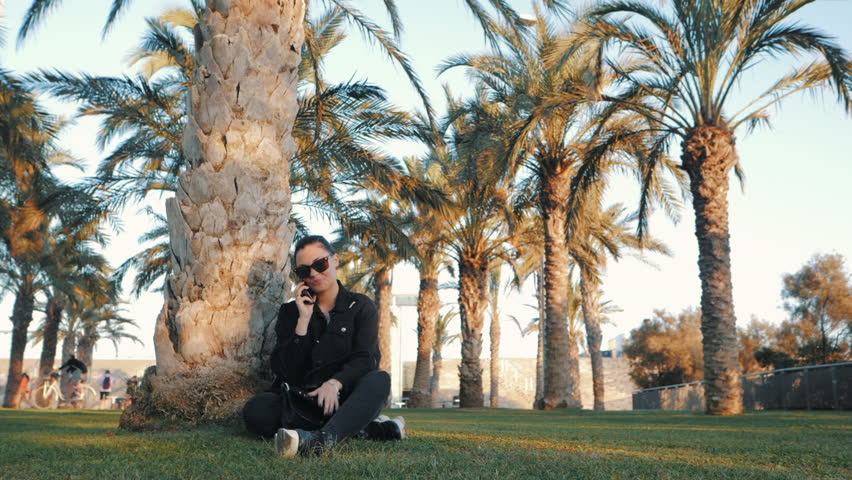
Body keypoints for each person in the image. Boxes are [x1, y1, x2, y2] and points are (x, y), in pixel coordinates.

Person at [242, 235, 405, 457]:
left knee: (379, 379)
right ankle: (369, 428)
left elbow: (366, 359)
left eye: (320, 264)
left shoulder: (361, 307)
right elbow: (284, 371)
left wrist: (335, 383)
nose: (314, 274)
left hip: (343, 397)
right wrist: (303, 321)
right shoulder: (291, 312)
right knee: (256, 411)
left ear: (335, 260)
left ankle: (321, 440)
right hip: (302, 400)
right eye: (304, 271)